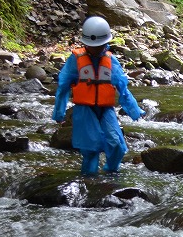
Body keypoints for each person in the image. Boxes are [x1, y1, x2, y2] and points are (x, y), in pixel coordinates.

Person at [52, 16, 145, 176]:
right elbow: (63, 86)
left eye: (98, 46)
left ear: (105, 43)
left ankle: (110, 175)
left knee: (117, 145)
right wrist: (59, 113)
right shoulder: (76, 60)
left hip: (105, 109)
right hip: (84, 110)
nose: (95, 49)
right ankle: (90, 181)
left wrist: (134, 110)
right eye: (91, 46)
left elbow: (122, 87)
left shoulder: (111, 61)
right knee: (91, 148)